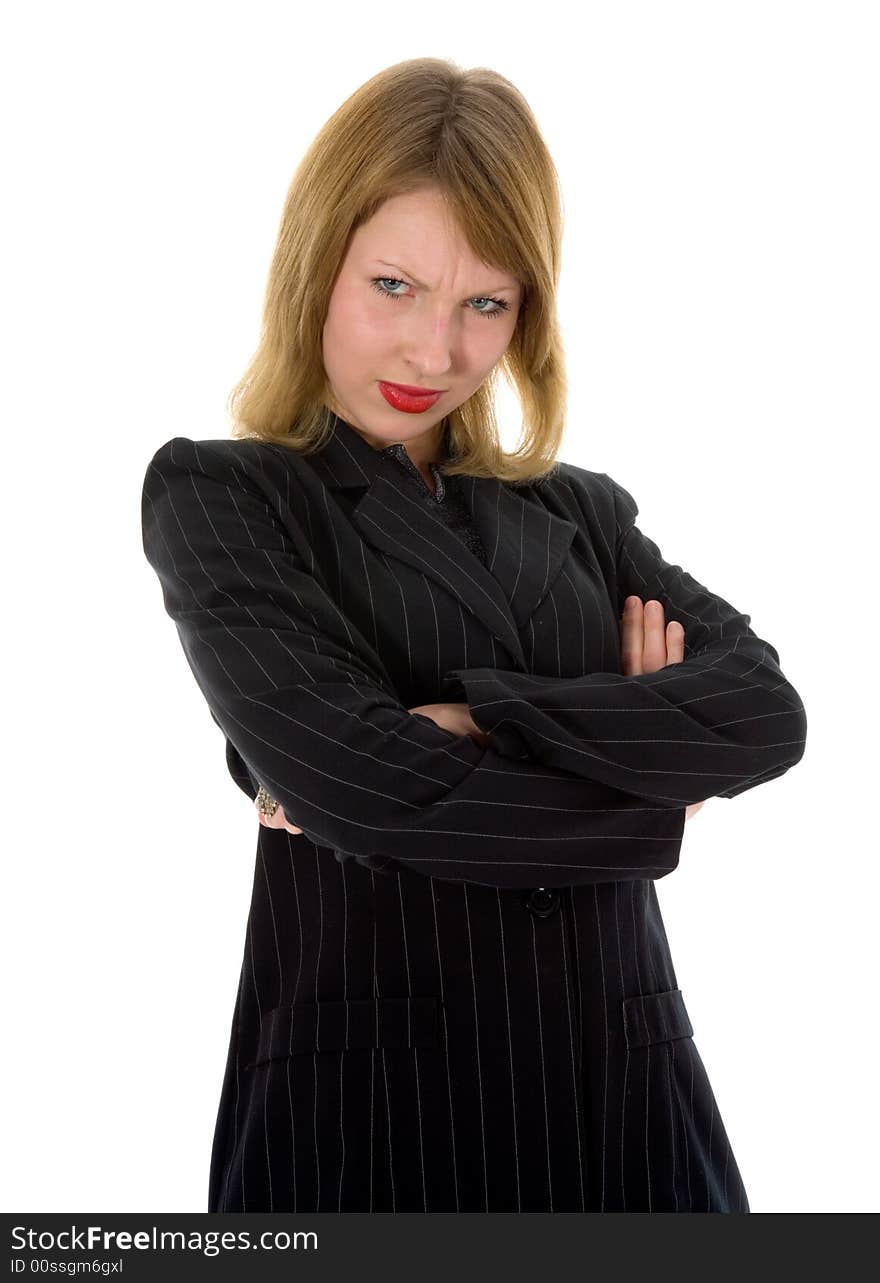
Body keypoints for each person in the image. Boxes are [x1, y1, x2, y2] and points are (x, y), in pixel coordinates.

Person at [140, 57, 807, 1214]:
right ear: (317, 265)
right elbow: (361, 785)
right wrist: (651, 786)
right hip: (376, 1109)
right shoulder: (228, 497)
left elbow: (764, 712)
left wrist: (485, 715)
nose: (434, 352)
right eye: (394, 285)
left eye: (484, 304)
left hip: (628, 1101)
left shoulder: (578, 509)